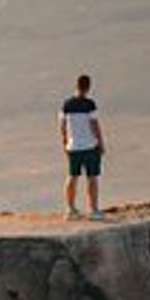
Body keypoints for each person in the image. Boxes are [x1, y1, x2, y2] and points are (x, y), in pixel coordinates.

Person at [60, 73, 107, 220]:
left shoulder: (66, 105)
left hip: (73, 146)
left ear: (76, 85)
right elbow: (94, 125)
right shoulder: (90, 104)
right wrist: (101, 143)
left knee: (72, 177)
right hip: (89, 146)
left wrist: (65, 143)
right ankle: (93, 210)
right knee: (92, 178)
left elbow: (62, 127)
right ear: (88, 87)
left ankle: (70, 209)